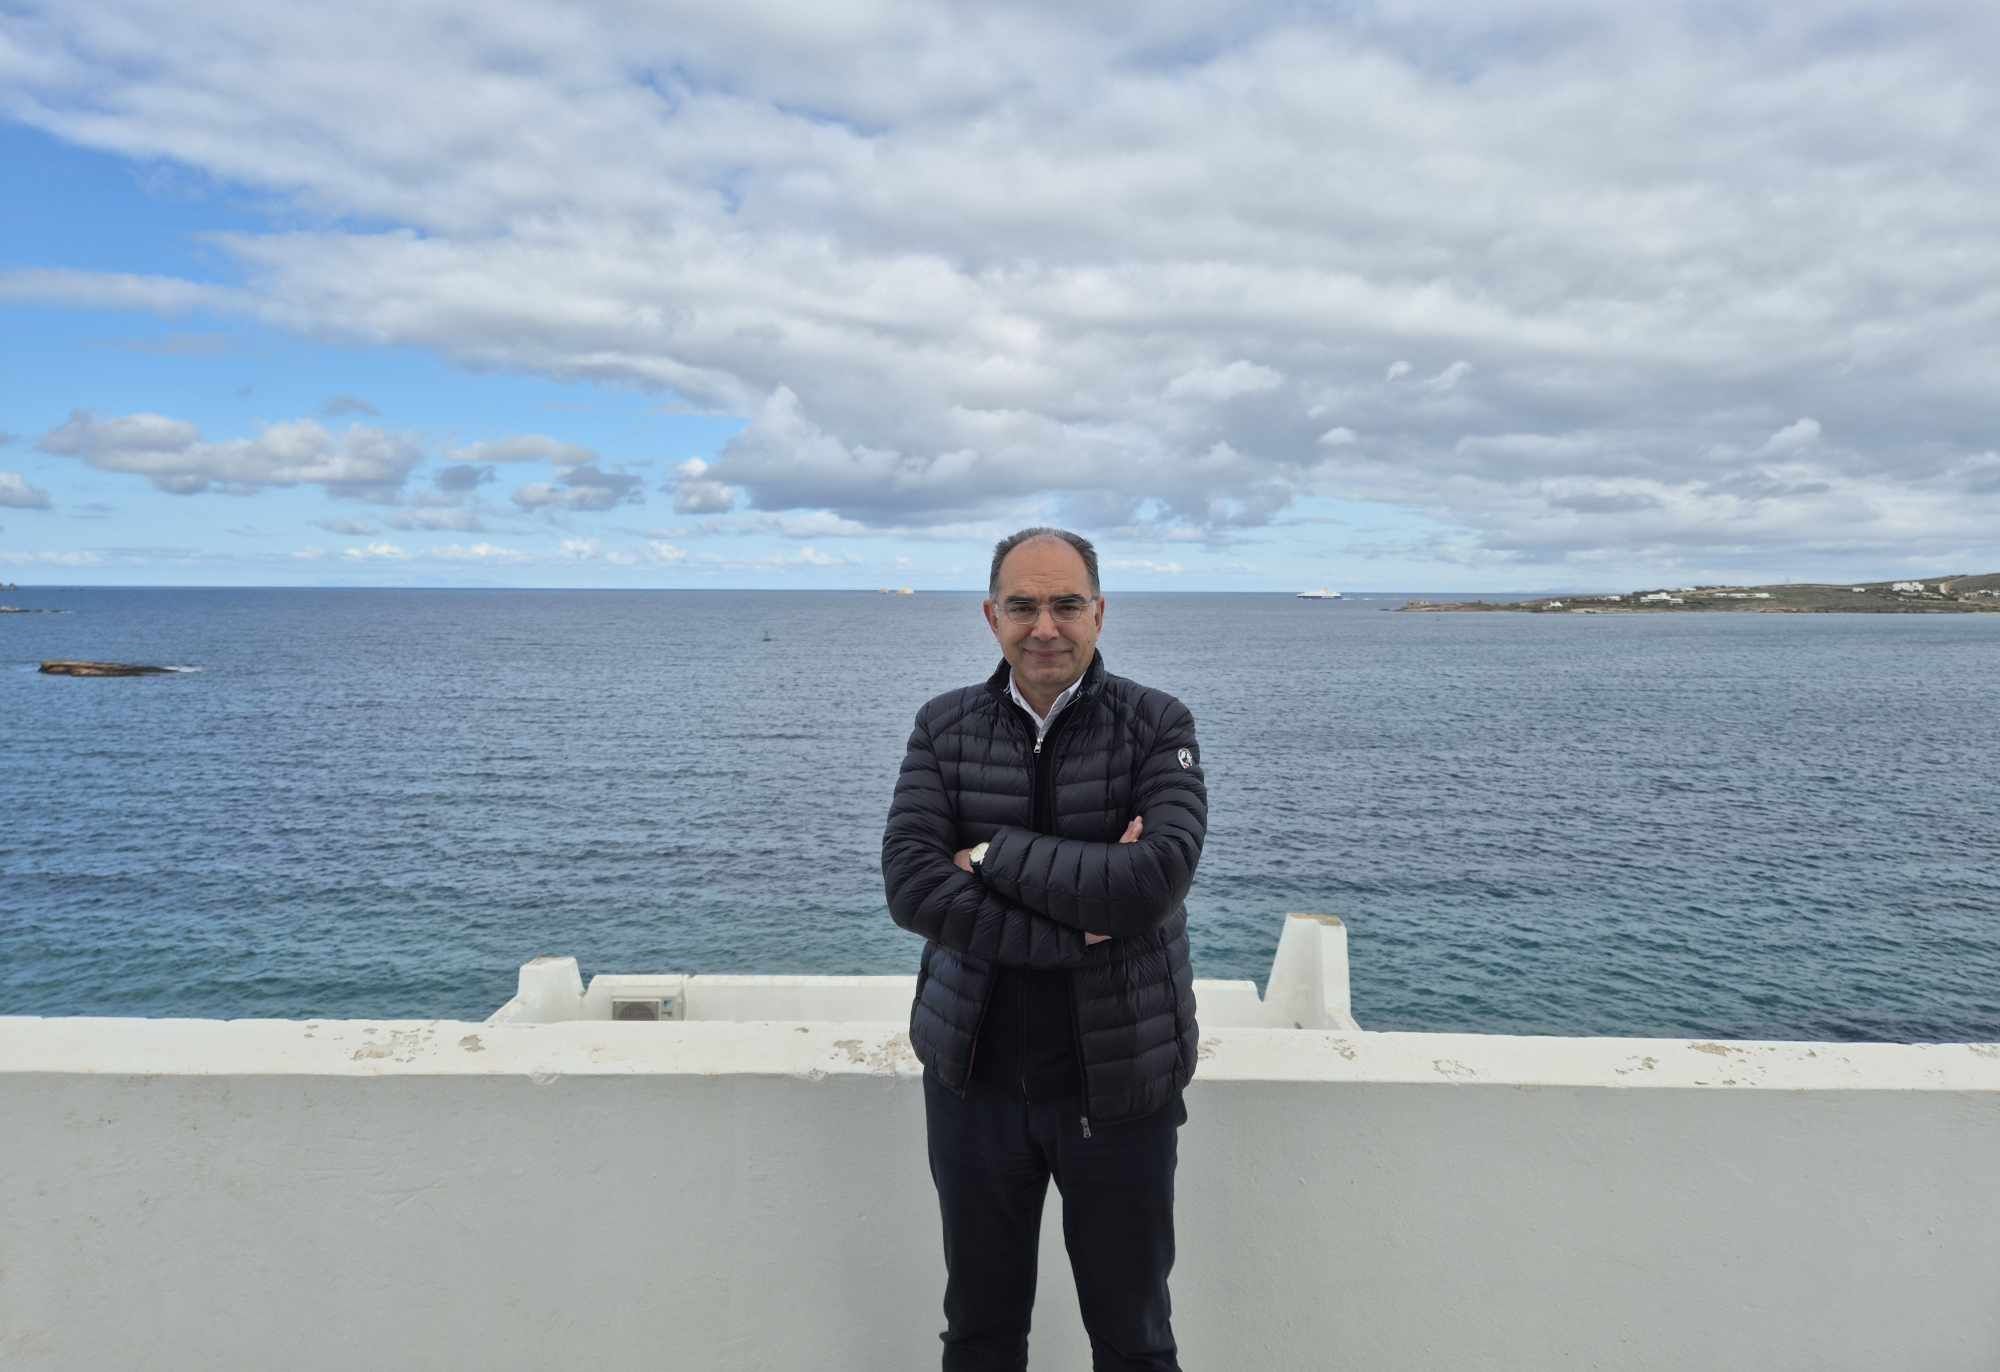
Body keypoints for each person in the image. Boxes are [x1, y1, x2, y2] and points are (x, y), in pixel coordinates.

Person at [882, 526, 1208, 1372]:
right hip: (974, 1085)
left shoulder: (1157, 723)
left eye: (1066, 604)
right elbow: (913, 888)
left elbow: (1153, 881)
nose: (1045, 627)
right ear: (992, 616)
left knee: (1134, 1339)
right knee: (980, 1334)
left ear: (1100, 612)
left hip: (1120, 1089)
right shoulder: (943, 726)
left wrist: (991, 855)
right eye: (1023, 605)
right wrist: (1082, 925)